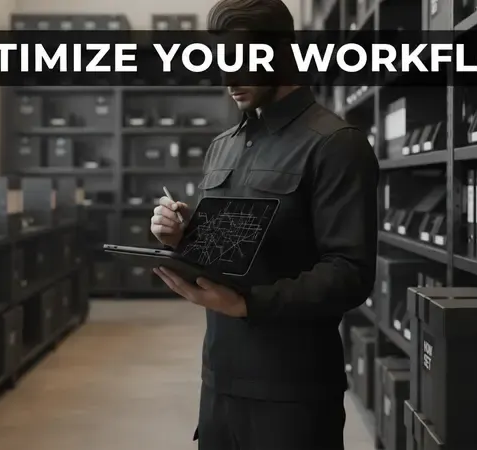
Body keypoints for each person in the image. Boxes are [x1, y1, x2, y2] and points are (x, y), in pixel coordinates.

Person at [150, 0, 380, 448]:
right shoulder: (223, 146)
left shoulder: (336, 145)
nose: (230, 78)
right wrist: (183, 235)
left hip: (292, 392)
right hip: (219, 380)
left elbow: (350, 273)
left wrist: (247, 304)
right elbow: (229, 250)